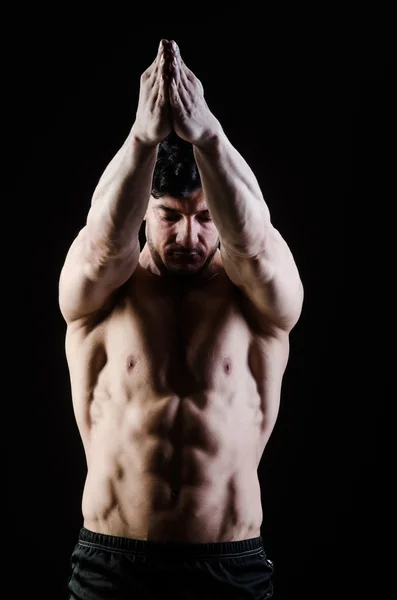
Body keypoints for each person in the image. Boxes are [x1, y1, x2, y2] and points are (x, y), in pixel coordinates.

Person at [59, 38, 304, 600]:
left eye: (204, 218)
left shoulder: (255, 297)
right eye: (169, 216)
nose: (189, 236)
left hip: (230, 564)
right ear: (145, 208)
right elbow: (103, 244)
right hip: (111, 563)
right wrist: (143, 136)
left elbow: (254, 243)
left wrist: (210, 136)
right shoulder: (102, 291)